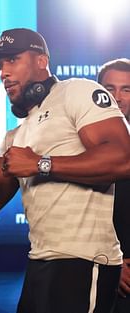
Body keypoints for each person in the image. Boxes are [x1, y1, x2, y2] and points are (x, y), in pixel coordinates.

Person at [0, 27, 130, 313]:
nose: (4, 72)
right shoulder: (18, 134)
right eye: (1, 65)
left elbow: (123, 158)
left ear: (41, 61)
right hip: (40, 262)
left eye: (12, 60)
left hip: (83, 260)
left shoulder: (76, 92)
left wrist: (41, 163)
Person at [97, 58, 130, 313]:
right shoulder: (80, 144)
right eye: (109, 89)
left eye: (126, 89)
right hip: (103, 268)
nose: (117, 97)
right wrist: (112, 263)